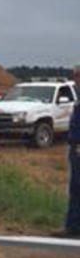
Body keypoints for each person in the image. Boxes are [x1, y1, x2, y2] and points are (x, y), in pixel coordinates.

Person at [55, 64, 80, 239]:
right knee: (75, 189)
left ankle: (73, 227)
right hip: (75, 147)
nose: (75, 80)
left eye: (77, 76)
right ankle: (72, 226)